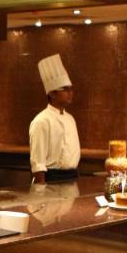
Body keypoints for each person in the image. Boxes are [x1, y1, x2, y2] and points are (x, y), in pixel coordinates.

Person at [29, 54, 81, 184]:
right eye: (65, 89)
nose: (70, 93)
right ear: (52, 94)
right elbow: (38, 164)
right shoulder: (41, 121)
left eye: (71, 89)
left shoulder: (70, 119)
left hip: (72, 177)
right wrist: (41, 191)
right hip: (52, 179)